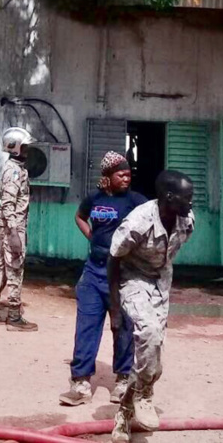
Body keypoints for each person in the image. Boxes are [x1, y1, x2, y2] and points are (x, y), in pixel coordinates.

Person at [108, 170, 194, 443]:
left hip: (161, 283)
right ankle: (144, 395)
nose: (191, 202)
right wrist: (115, 309)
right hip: (133, 279)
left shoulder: (187, 221)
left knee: (153, 353)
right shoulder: (138, 222)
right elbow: (113, 260)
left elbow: (169, 255)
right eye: (187, 197)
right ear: (169, 197)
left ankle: (125, 411)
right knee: (149, 334)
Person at [59, 151, 147, 407]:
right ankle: (80, 383)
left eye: (129, 174)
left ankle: (122, 381)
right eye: (121, 174)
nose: (126, 178)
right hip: (93, 273)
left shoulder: (136, 201)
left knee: (123, 328)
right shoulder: (94, 199)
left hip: (123, 276)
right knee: (86, 327)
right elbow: (79, 216)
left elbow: (151, 223)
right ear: (107, 177)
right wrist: (92, 238)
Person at [0, 126, 37, 331]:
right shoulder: (14, 171)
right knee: (15, 267)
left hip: (6, 224)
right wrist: (14, 233)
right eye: (25, 147)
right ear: (15, 148)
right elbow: (8, 204)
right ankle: (14, 315)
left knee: (3, 267)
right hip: (13, 225)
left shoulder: (14, 168)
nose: (27, 151)